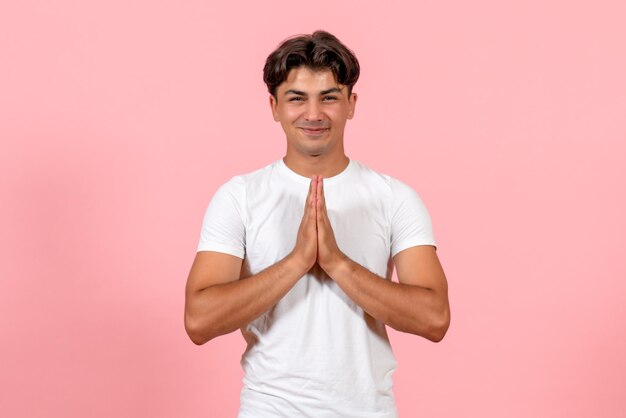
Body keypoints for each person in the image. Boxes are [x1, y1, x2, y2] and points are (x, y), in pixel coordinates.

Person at [184, 30, 450, 417]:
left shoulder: (394, 197)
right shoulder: (239, 196)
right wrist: (296, 262)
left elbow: (435, 318)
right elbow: (199, 320)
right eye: (297, 98)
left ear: (351, 104)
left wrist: (338, 263)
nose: (313, 114)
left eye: (329, 97)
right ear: (274, 106)